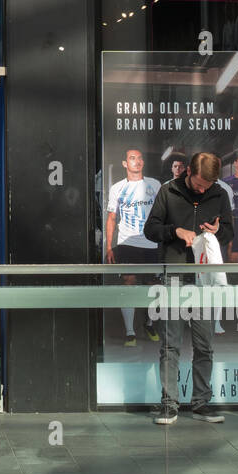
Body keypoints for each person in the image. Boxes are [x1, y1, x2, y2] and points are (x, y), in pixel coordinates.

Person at [143, 151, 232, 425]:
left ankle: (201, 403)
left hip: (205, 279)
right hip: (174, 277)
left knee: (204, 346)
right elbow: (150, 229)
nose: (203, 189)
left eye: (208, 186)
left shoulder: (219, 195)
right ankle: (169, 405)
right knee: (170, 346)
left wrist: (218, 232)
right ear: (188, 173)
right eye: (199, 184)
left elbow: (230, 232)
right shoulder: (168, 191)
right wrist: (175, 232)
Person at [104, 147, 162, 346]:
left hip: (151, 243)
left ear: (143, 163)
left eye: (139, 158)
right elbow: (112, 218)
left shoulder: (154, 185)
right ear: (124, 163)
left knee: (153, 286)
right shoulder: (117, 188)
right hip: (127, 243)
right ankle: (130, 332)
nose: (136, 161)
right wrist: (109, 247)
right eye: (131, 158)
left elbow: (163, 213)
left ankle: (148, 323)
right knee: (129, 282)